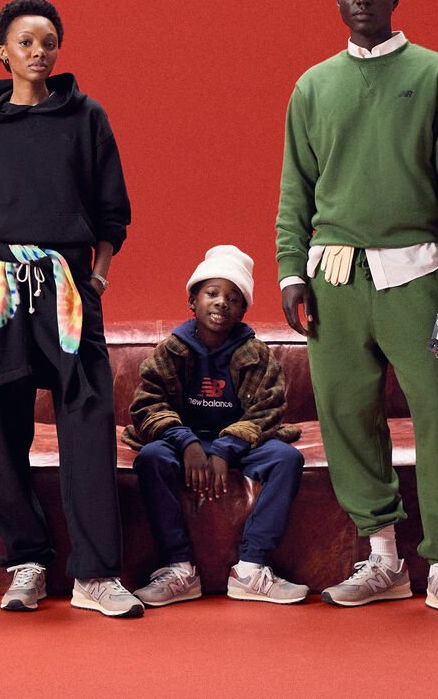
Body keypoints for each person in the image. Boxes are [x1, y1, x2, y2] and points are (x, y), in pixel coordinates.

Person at [273, 0, 438, 621]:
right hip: (332, 278)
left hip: (417, 273)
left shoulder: (437, 76)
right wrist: (288, 270)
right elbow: (295, 190)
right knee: (343, 415)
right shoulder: (312, 86)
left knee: (433, 414)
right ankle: (385, 559)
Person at [0, 0, 141, 618]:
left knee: (88, 420)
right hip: (0, 290)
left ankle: (95, 574)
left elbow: (113, 211)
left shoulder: (88, 118)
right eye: (26, 42)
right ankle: (26, 563)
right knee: (4, 429)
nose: (39, 52)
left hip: (68, 287)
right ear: (2, 51)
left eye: (49, 42)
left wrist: (98, 276)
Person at [123, 245, 308, 607]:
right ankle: (178, 569)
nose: (221, 303)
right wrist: (188, 443)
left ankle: (251, 569)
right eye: (212, 293)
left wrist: (225, 448)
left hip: (241, 444)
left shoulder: (256, 354)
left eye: (233, 298)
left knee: (287, 459)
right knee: (150, 458)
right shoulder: (171, 350)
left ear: (243, 309)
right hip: (183, 445)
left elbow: (268, 410)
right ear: (193, 300)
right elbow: (147, 404)